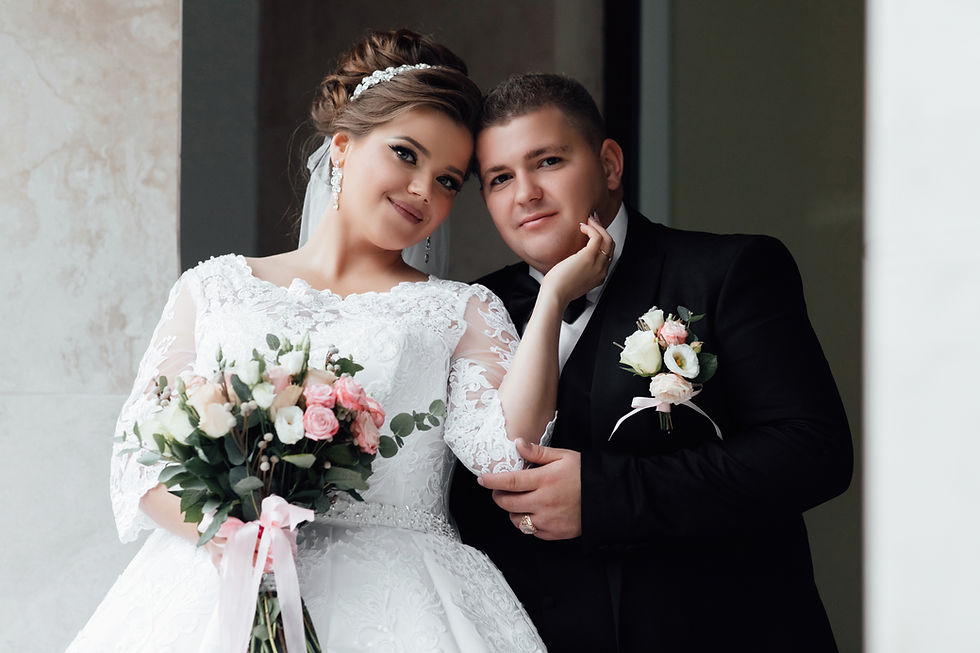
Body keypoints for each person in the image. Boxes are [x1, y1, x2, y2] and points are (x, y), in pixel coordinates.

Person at [67, 32, 613, 652]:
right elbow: (138, 456)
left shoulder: (457, 309)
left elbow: (506, 455)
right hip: (218, 585)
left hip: (403, 602)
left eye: (449, 181)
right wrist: (234, 536)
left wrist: (552, 300)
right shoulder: (215, 287)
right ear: (344, 148)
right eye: (406, 155)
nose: (422, 192)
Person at [450, 73, 854, 652]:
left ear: (609, 164)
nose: (525, 193)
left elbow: (813, 452)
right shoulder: (470, 314)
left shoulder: (729, 271)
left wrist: (609, 495)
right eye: (498, 179)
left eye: (548, 162)